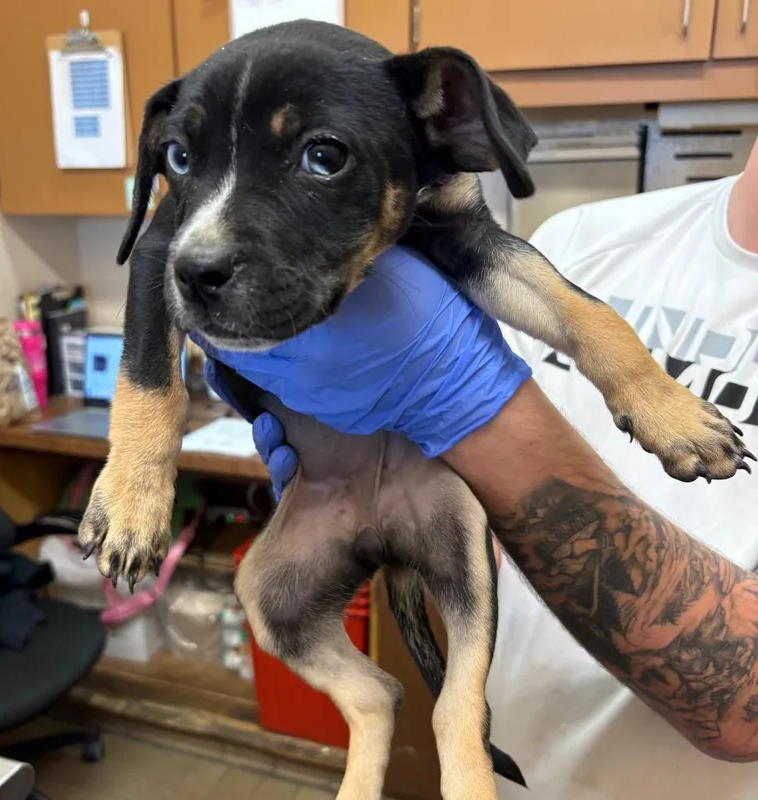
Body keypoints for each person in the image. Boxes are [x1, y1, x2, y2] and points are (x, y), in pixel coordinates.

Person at [195, 139, 758, 799]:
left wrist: (472, 409)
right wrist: (356, 466)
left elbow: (742, 705)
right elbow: (480, 526)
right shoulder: (584, 238)